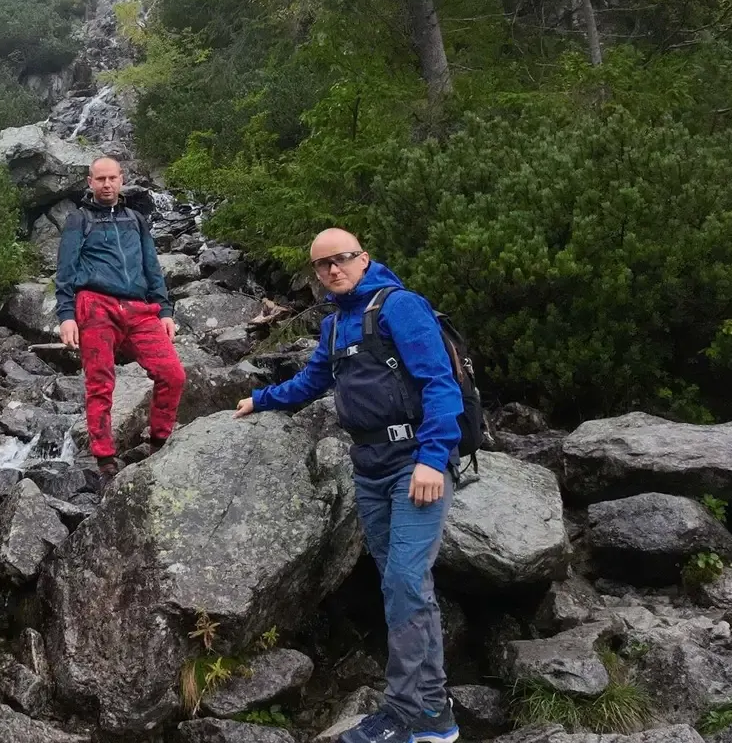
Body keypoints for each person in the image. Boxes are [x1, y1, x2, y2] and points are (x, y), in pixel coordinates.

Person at [234, 228, 463, 743]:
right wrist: (262, 399)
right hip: (370, 466)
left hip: (414, 465)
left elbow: (440, 383)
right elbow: (314, 381)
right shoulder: (337, 323)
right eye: (322, 265)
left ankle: (407, 713)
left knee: (406, 582)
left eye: (341, 259)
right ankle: (434, 713)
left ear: (364, 258)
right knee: (401, 586)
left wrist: (432, 458)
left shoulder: (399, 306)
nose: (333, 270)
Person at [55, 156, 186, 481]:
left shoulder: (136, 219)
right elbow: (66, 271)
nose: (107, 184)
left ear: (121, 178)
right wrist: (67, 316)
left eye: (112, 178)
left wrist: (165, 310)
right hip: (95, 305)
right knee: (100, 383)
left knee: (173, 374)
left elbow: (151, 266)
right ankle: (104, 459)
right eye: (100, 179)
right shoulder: (78, 220)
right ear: (90, 182)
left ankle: (159, 441)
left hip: (139, 309)